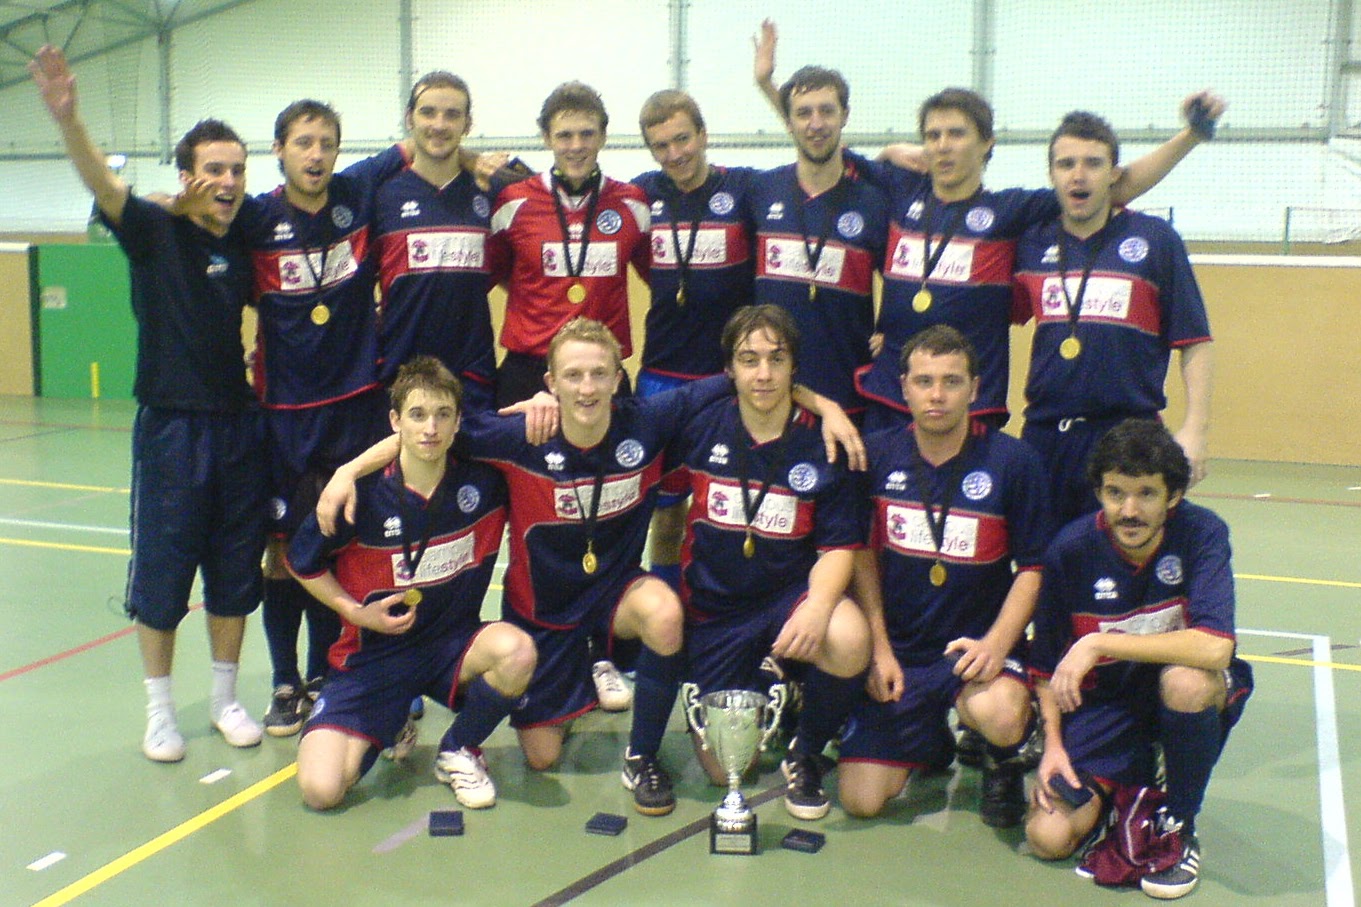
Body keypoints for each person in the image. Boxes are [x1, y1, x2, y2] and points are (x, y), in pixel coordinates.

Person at [754, 21, 1223, 433]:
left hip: (970, 408)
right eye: (933, 135)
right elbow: (817, 138)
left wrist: (1190, 137)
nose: (943, 146)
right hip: (889, 398)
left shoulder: (1011, 213)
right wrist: (768, 86)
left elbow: (1113, 188)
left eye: (957, 134)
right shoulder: (898, 190)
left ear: (986, 144)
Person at [30, 45, 266, 762]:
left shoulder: (252, 231)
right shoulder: (154, 232)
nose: (226, 181)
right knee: (163, 574)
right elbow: (103, 184)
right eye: (214, 169)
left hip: (239, 428)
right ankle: (159, 711)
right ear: (188, 175)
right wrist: (69, 120)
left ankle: (225, 699)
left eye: (236, 169)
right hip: (170, 430)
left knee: (233, 571)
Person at [237, 98, 412, 736]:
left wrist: (488, 161)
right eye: (304, 143)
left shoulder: (357, 192)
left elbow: (420, 142)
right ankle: (285, 680)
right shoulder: (255, 218)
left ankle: (323, 671)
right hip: (283, 416)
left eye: (327, 143)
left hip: (355, 408)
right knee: (282, 554)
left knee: (342, 541)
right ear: (279, 150)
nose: (316, 155)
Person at [288, 357, 534, 811]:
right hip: (373, 659)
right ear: (395, 421)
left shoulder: (485, 481)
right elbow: (301, 563)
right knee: (321, 791)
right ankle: (389, 719)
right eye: (417, 415)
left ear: (460, 422)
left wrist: (542, 401)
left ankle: (458, 748)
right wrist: (352, 611)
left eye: (443, 415)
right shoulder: (358, 498)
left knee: (517, 651)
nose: (430, 428)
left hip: (451, 645)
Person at [1026, 419, 1252, 900]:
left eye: (1147, 494)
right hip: (1106, 704)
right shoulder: (1070, 551)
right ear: (1099, 493)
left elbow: (1216, 647)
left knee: (1187, 683)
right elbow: (1045, 668)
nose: (1129, 510)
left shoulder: (1202, 534)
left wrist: (1098, 643)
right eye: (1115, 493)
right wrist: (1052, 747)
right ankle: (1128, 791)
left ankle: (1178, 823)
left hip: (1179, 691)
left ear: (1173, 496)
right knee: (1047, 839)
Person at [839, 325, 1051, 827]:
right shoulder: (877, 456)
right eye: (925, 380)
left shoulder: (1013, 461)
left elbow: (1036, 566)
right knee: (861, 801)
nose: (937, 395)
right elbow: (862, 557)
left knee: (999, 711)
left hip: (975, 651)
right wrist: (880, 649)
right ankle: (929, 741)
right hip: (904, 653)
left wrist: (999, 643)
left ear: (975, 389)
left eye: (952, 381)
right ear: (904, 386)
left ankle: (1003, 759)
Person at [674, 305, 869, 821]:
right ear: (730, 369)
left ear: (793, 368)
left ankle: (805, 752)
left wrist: (818, 608)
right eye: (749, 359)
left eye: (776, 359)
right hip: (717, 609)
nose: (763, 373)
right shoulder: (698, 426)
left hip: (787, 597)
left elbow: (839, 547)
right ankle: (778, 682)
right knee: (722, 771)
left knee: (847, 637)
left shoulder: (825, 441)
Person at [1013, 112, 1214, 527]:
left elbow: (1194, 340)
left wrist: (1195, 428)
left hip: (1129, 437)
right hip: (1045, 439)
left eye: (1093, 163)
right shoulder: (1031, 243)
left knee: (1123, 572)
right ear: (1051, 174)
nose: (1078, 175)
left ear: (1115, 175)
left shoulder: (1155, 240)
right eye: (1066, 164)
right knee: (1042, 569)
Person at [630, 88, 761, 666]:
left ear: (704, 134)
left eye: (683, 139)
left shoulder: (746, 189)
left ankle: (723, 623)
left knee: (724, 509)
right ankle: (665, 625)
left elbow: (817, 166)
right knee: (665, 512)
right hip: (660, 377)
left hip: (726, 382)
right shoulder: (644, 196)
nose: (675, 154)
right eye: (661, 146)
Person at [488, 82, 651, 407]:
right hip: (529, 372)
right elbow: (494, 273)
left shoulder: (633, 204)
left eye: (587, 134)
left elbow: (659, 278)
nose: (576, 146)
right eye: (564, 135)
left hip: (602, 372)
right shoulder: (513, 202)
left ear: (603, 136)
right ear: (547, 138)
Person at [372, 71, 498, 414]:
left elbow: (539, 197)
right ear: (409, 118)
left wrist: (483, 163)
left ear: (467, 124)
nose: (439, 124)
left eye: (452, 114)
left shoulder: (491, 191)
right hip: (401, 372)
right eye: (428, 112)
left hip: (473, 375)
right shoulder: (381, 196)